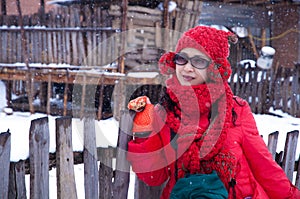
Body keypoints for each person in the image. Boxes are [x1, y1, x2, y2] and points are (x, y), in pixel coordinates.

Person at [126, 26, 300, 199]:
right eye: (182, 59)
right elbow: (153, 176)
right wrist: (143, 129)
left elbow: (264, 166)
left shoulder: (236, 109)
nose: (187, 68)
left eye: (199, 61)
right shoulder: (164, 113)